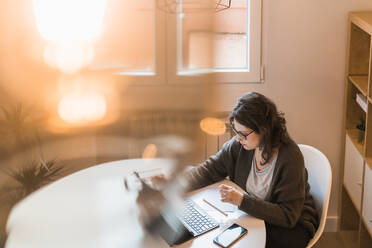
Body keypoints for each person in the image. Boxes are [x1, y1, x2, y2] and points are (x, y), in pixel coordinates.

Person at [152, 92, 318, 248]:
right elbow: (209, 170)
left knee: (234, 243)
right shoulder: (240, 146)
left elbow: (288, 215)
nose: (238, 138)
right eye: (236, 131)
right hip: (256, 215)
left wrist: (242, 201)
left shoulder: (290, 158)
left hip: (292, 226)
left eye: (243, 134)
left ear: (264, 130)